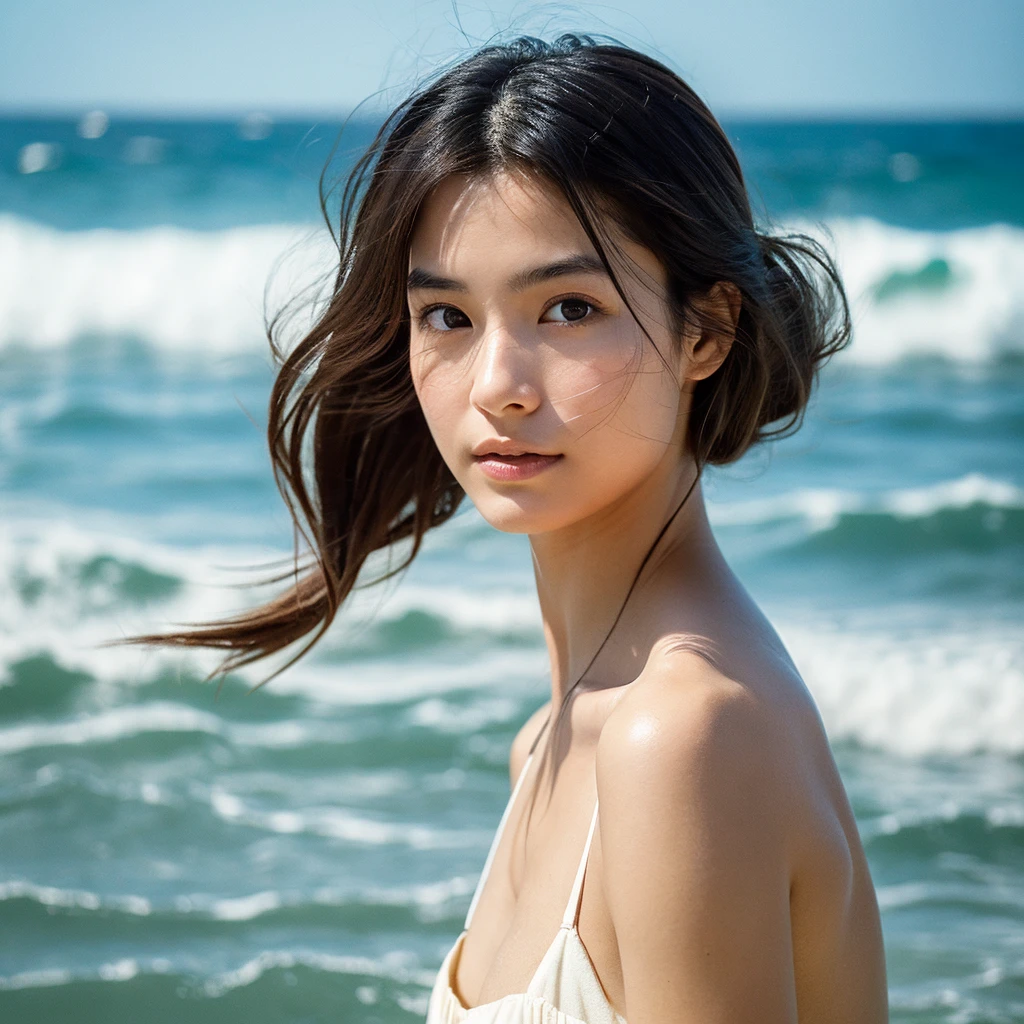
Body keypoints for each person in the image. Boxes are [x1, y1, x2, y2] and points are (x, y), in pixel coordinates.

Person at [118, 33, 889, 1023]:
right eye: (446, 317)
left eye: (568, 308)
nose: (495, 387)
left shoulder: (680, 737)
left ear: (707, 332)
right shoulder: (556, 738)